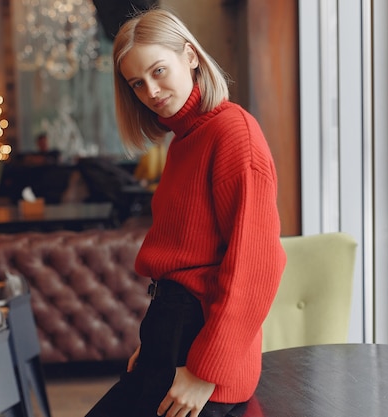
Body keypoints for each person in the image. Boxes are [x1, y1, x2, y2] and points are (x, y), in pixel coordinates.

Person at [85, 8, 286, 417]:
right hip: (170, 331)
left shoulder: (233, 133)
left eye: (159, 71)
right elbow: (184, 259)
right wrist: (156, 341)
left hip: (204, 356)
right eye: (137, 83)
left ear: (190, 56)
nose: (151, 91)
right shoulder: (183, 141)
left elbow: (255, 266)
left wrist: (205, 371)